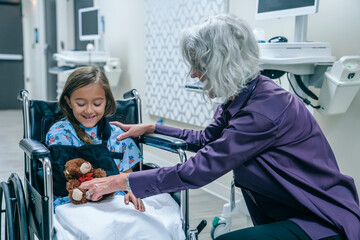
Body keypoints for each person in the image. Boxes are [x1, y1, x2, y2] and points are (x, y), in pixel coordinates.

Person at [80, 14, 360, 240]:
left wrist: (119, 181)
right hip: (289, 210)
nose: (193, 73)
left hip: (321, 219)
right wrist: (152, 127)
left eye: (199, 64)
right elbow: (207, 139)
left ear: (223, 63)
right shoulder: (242, 95)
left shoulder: (264, 110)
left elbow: (200, 169)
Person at [46, 66, 185, 240]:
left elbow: (128, 176)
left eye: (97, 104)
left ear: (107, 101)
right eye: (81, 104)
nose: (89, 110)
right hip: (77, 202)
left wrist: (131, 191)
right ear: (68, 101)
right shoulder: (59, 134)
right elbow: (61, 179)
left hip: (116, 198)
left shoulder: (118, 135)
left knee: (147, 227)